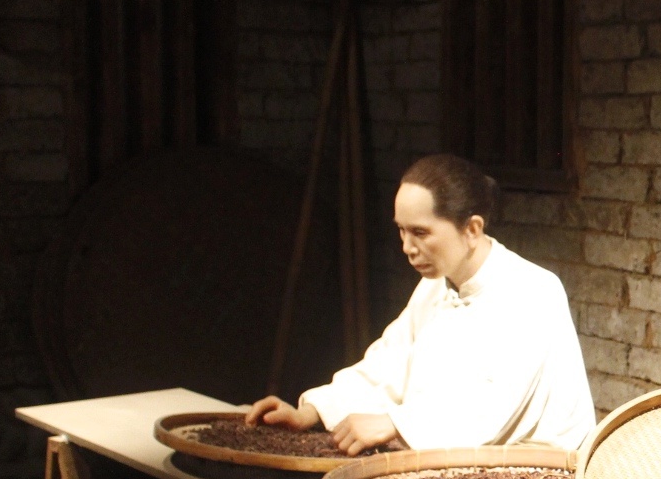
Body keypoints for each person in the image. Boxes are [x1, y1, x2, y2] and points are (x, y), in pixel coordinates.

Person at [246, 153, 595, 455]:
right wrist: (312, 412)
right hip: (450, 465)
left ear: (472, 229)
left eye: (421, 233)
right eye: (401, 231)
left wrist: (394, 425)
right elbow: (387, 365)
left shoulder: (532, 292)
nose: (407, 248)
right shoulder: (434, 286)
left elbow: (491, 409)